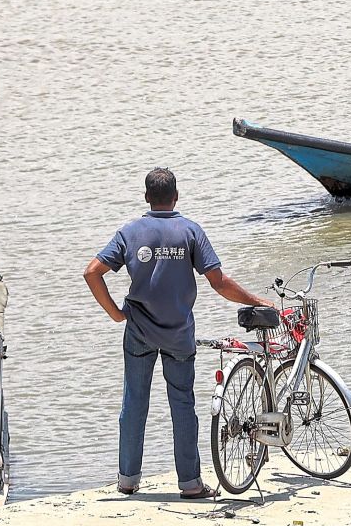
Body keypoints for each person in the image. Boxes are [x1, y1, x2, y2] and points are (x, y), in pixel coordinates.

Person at [84, 168, 274, 499]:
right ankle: (190, 484)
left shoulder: (130, 232)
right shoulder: (189, 231)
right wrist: (258, 301)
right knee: (183, 406)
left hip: (139, 332)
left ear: (146, 198)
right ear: (176, 196)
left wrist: (116, 314)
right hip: (178, 336)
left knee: (134, 402)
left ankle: (128, 480)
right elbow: (219, 282)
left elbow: (91, 273)